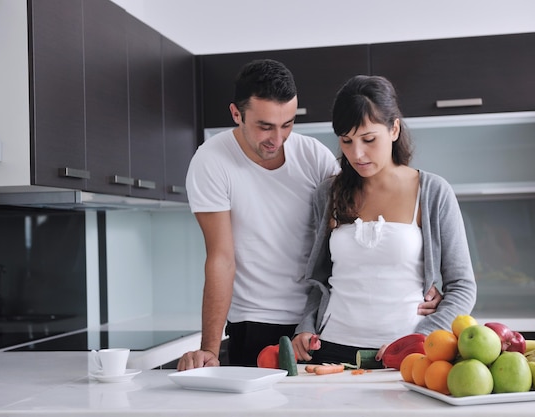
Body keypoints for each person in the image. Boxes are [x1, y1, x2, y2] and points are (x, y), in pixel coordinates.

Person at [178, 60, 443, 370]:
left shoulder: (313, 155)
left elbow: (358, 228)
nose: (277, 139)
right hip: (255, 320)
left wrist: (429, 283)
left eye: (287, 124)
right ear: (237, 114)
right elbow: (221, 258)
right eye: (265, 126)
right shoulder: (212, 161)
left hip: (318, 328)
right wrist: (209, 349)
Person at [291, 75, 477, 366]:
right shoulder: (328, 193)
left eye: (368, 139)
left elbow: (463, 286)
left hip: (406, 355)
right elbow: (320, 281)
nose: (357, 154)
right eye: (346, 141)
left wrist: (423, 336)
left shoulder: (432, 191)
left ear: (394, 129)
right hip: (328, 351)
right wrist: (305, 327)